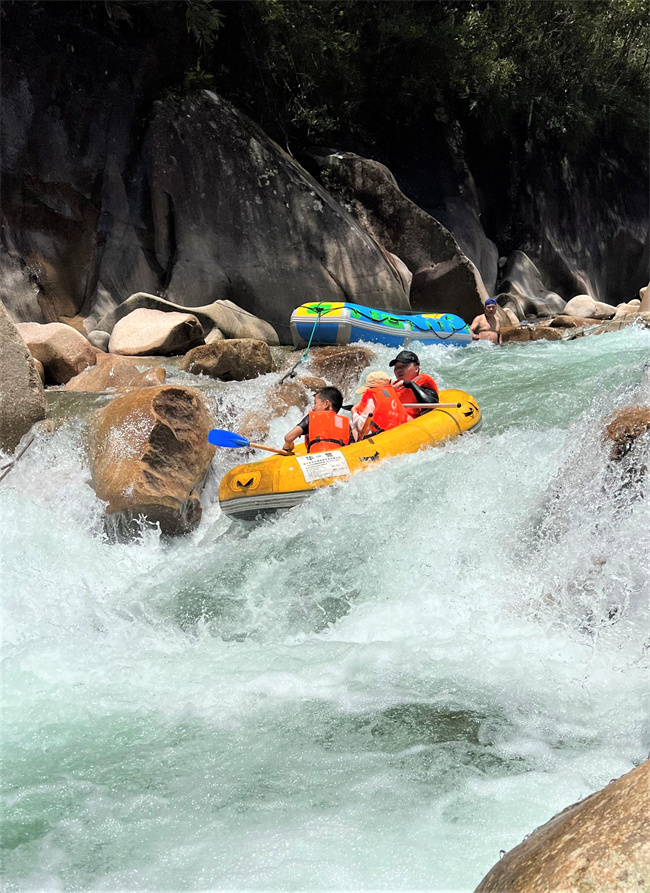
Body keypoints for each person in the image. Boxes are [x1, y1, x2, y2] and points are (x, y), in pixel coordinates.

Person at [283, 386, 351, 454]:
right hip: (339, 459)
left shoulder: (312, 417)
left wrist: (288, 446)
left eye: (315, 403)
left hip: (317, 459)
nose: (313, 408)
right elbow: (353, 446)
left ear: (326, 404)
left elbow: (288, 437)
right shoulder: (345, 422)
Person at [351, 370, 410, 440]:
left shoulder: (372, 398)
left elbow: (361, 426)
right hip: (396, 434)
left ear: (371, 388)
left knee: (353, 425)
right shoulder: (393, 396)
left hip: (377, 438)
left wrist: (354, 412)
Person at [389, 350, 439, 418]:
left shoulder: (425, 387)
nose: (399, 370)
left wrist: (410, 384)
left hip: (411, 424)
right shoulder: (394, 387)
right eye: (396, 367)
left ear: (416, 369)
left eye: (404, 366)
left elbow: (430, 405)